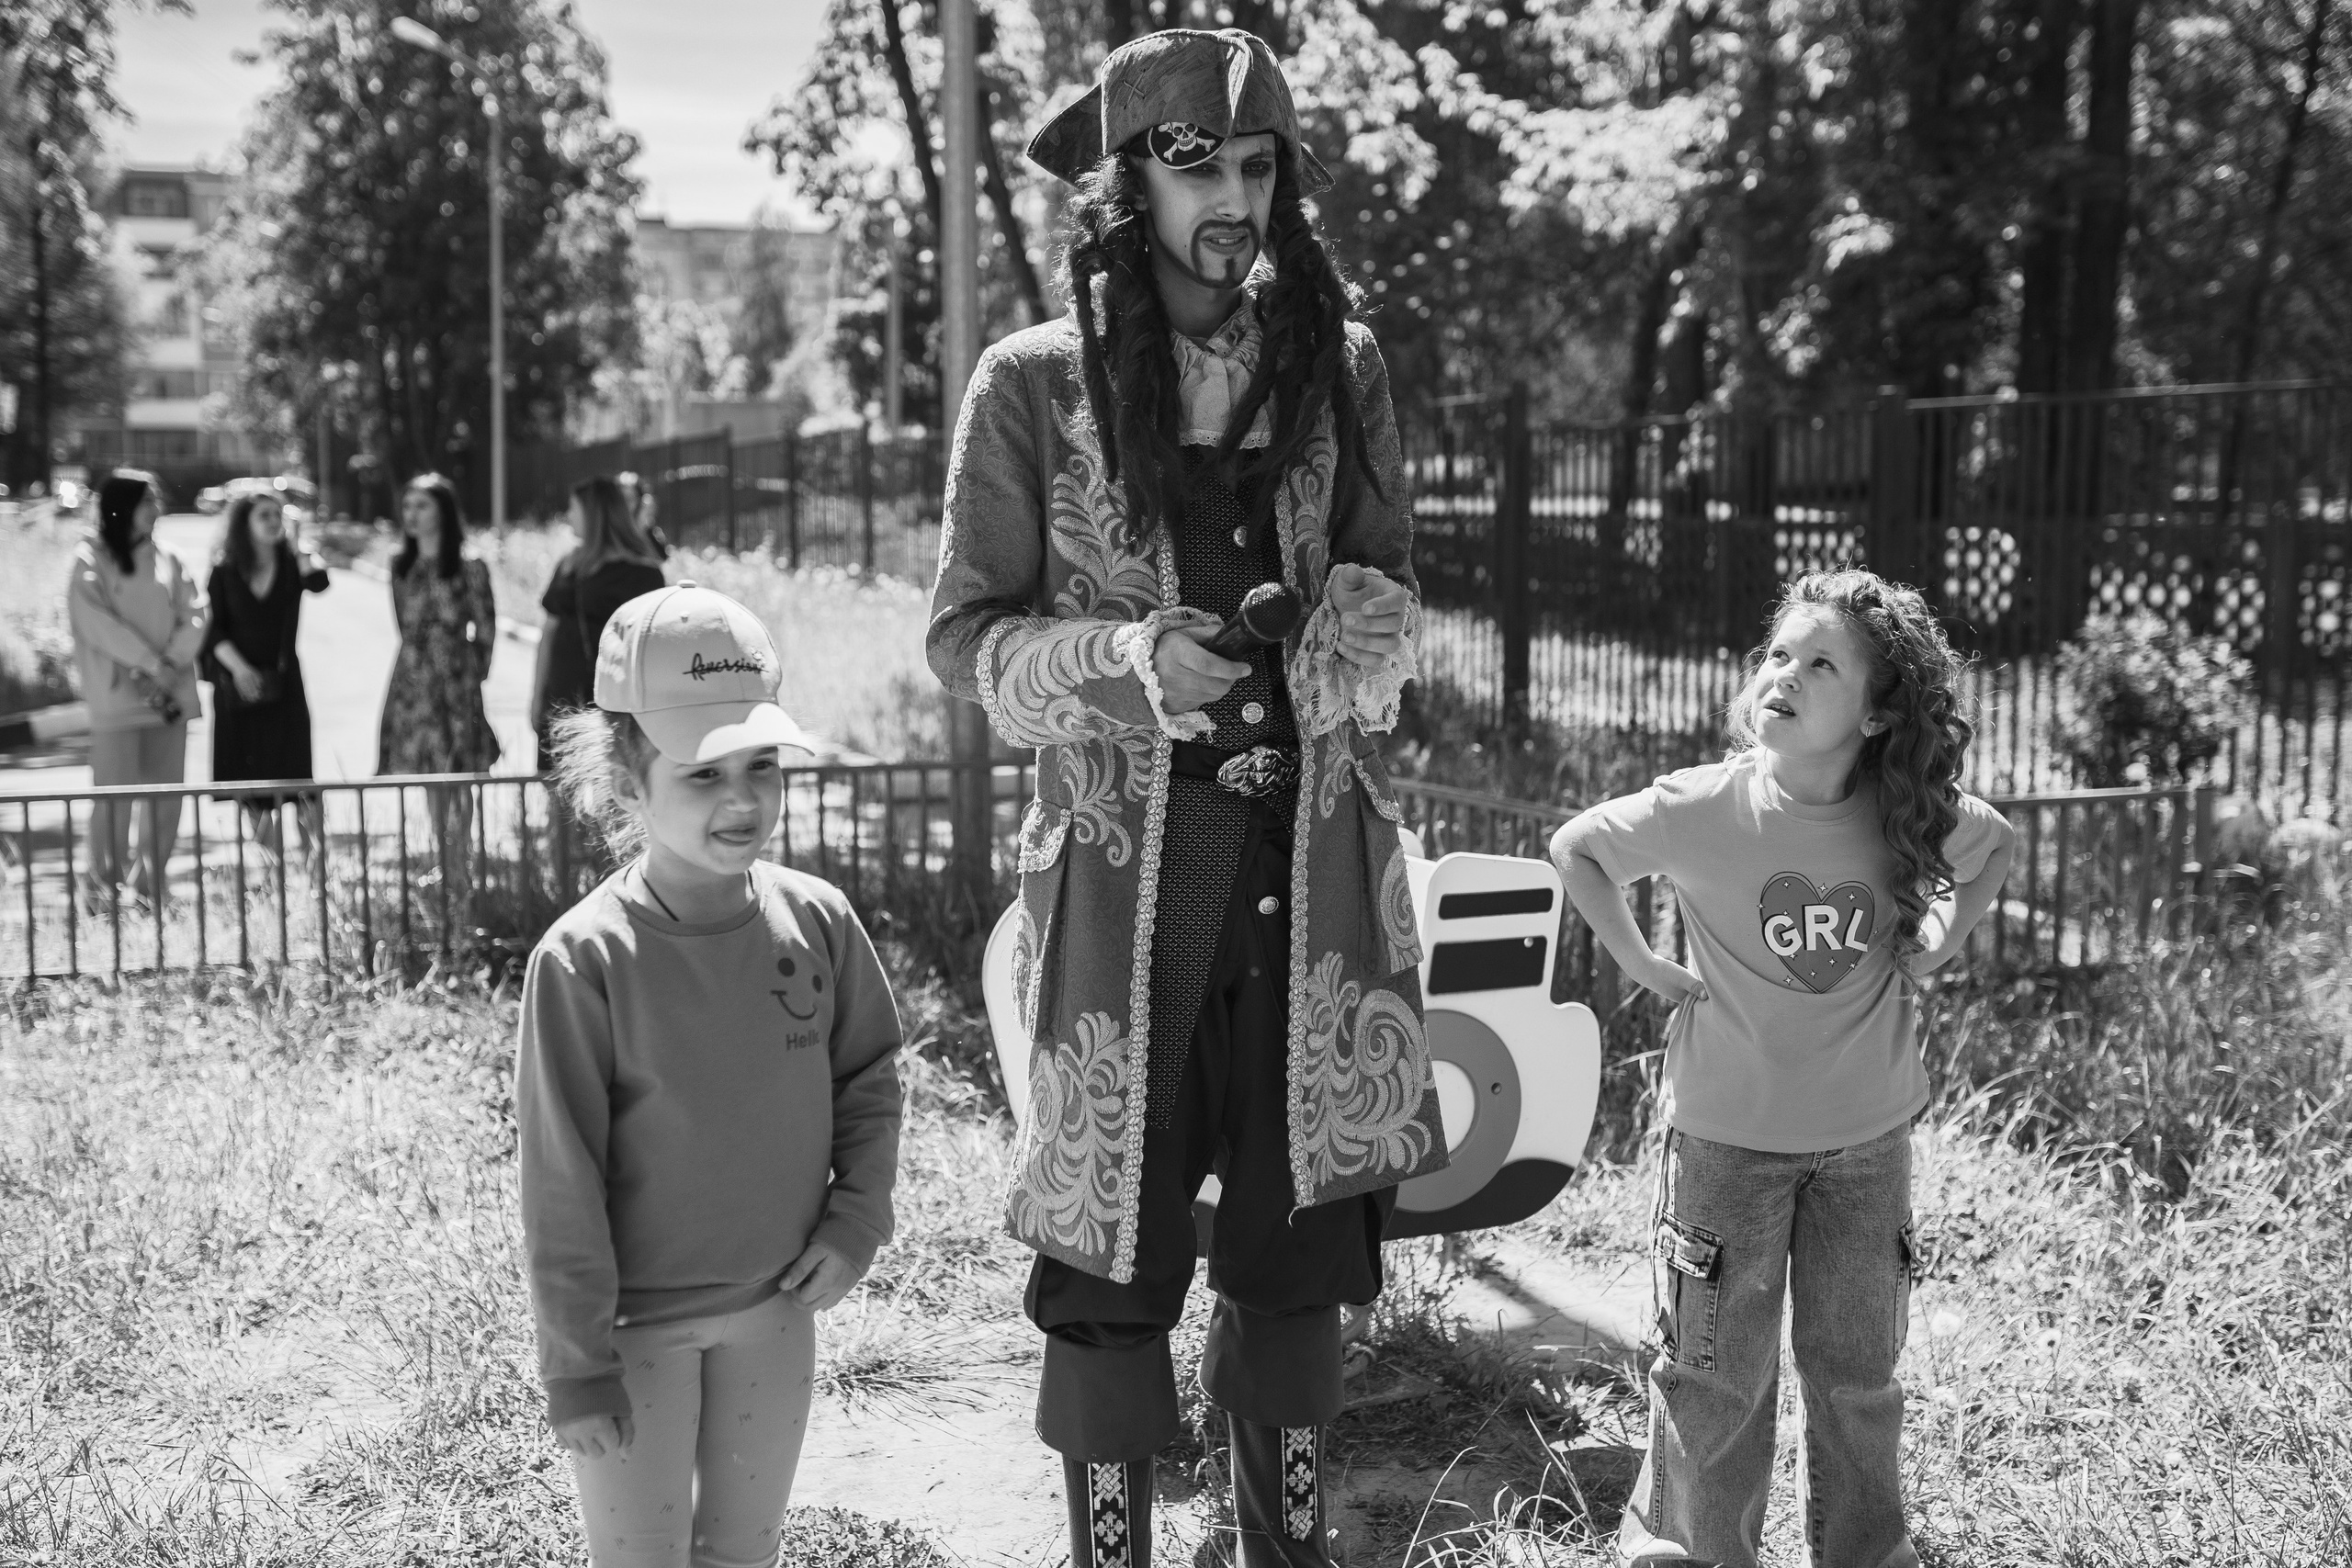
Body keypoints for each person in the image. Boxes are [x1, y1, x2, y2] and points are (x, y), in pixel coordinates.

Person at [927, 29, 1442, 1567]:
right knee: (1110, 1264)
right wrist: (1118, 660)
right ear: (1128, 182)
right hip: (1121, 897)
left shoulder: (1341, 361)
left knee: (1299, 1255)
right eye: (1198, 166)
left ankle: (1286, 1548)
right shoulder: (1031, 383)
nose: (1234, 198)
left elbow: (1390, 582)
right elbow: (963, 640)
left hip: (1311, 880)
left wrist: (1363, 628)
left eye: (1259, 167)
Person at [1548, 570, 2018, 1568]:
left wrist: (1938, 938)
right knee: (1712, 1372)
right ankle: (1689, 1549)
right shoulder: (1699, 806)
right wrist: (1642, 962)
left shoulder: (1907, 812)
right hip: (1725, 1145)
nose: (1785, 675)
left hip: (1867, 1146)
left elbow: (1996, 848)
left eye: (1821, 664)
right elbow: (1576, 848)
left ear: (1879, 713)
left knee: (1858, 1374)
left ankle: (1866, 1552)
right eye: (1777, 654)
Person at [518, 582, 904, 1567]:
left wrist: (856, 1219)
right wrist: (576, 1365)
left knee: (745, 1553)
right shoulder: (582, 961)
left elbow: (869, 1078)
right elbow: (561, 1181)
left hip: (778, 1314)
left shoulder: (819, 922)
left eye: (761, 765)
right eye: (702, 773)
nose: (743, 800)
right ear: (625, 780)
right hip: (633, 1335)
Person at [67, 470, 204, 907]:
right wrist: (149, 663)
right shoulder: (90, 558)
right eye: (148, 501)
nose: (156, 509)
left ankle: (151, 886)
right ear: (122, 507)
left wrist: (169, 665)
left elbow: (195, 615)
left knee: (165, 798)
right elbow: (96, 624)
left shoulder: (170, 558)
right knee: (114, 799)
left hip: (169, 698)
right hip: (117, 701)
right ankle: (101, 890)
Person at [201, 488, 331, 857]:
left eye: (278, 514)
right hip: (238, 685)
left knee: (299, 777)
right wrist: (240, 670)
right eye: (264, 515)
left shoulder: (293, 563)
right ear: (244, 524)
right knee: (251, 783)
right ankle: (273, 870)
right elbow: (213, 629)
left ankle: (314, 867)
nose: (274, 522)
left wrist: (300, 546)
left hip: (285, 683)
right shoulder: (224, 570)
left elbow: (319, 584)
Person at [529, 475, 667, 771]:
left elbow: (652, 649)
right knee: (556, 785)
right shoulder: (568, 565)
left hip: (613, 705)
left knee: (610, 786)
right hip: (561, 696)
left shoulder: (643, 574)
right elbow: (548, 633)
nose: (568, 515)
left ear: (595, 515)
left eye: (573, 508)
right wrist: (536, 697)